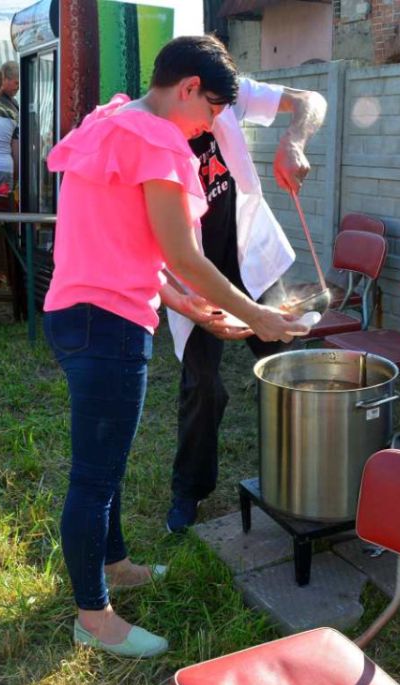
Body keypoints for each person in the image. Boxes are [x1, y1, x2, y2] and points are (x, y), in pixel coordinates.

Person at [43, 35, 305, 659]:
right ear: (188, 88)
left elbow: (126, 240)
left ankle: (115, 564)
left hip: (77, 315)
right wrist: (258, 316)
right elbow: (184, 255)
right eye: (212, 108)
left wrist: (186, 306)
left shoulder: (110, 120)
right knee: (94, 478)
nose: (211, 125)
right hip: (109, 324)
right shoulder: (159, 140)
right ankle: (93, 617)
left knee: (106, 466)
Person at [164, 76, 328, 533]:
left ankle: (310, 471)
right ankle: (189, 490)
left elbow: (311, 100)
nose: (218, 118)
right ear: (187, 90)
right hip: (196, 274)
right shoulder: (155, 129)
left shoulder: (228, 91)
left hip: (248, 258)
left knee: (289, 368)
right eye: (211, 109)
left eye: (224, 109)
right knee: (202, 385)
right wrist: (178, 296)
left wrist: (293, 141)